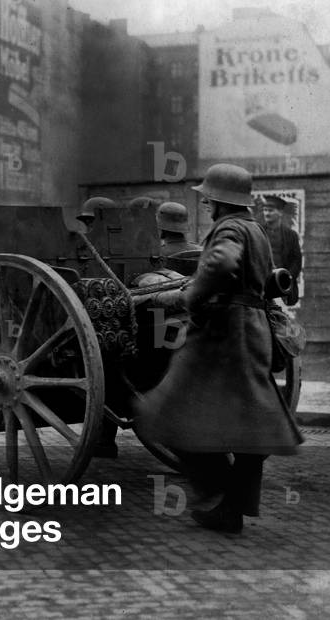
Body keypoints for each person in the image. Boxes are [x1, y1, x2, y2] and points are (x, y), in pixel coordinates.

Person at [135, 163, 303, 534]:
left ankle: (218, 494)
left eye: (208, 198)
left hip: (220, 334)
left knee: (165, 412)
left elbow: (223, 263)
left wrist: (193, 296)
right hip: (253, 330)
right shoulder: (256, 229)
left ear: (218, 200)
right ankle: (230, 509)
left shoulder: (228, 228)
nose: (207, 204)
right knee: (250, 425)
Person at [261, 195, 302, 306]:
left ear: (280, 213)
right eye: (265, 210)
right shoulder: (258, 232)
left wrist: (287, 279)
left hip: (285, 287)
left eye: (270, 210)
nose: (267, 213)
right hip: (263, 285)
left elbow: (296, 261)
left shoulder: (291, 235)